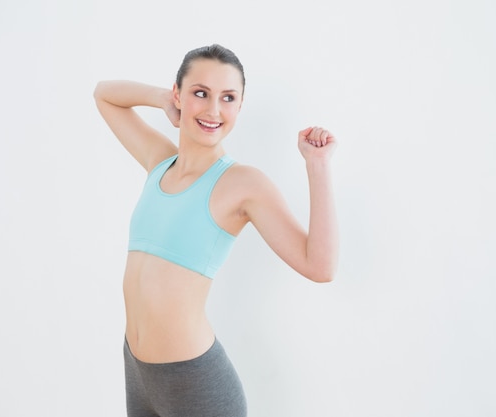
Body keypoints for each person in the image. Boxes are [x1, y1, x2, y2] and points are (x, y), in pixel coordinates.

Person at [93, 44, 339, 417]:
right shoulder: (159, 162)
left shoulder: (242, 183)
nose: (213, 110)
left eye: (228, 98)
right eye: (200, 93)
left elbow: (320, 267)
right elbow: (104, 95)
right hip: (138, 372)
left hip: (195, 384)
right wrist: (160, 98)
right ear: (179, 95)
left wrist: (317, 166)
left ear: (240, 107)